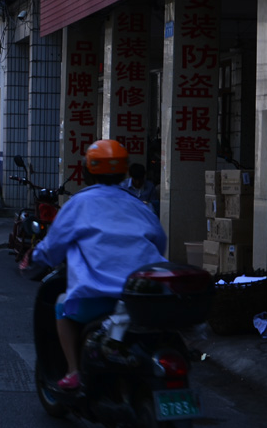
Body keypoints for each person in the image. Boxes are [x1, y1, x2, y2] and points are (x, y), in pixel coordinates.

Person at [28, 140, 166, 390]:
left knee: (61, 306)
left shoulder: (78, 204)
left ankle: (73, 371)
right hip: (142, 298)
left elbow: (53, 245)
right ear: (124, 172)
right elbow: (159, 241)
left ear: (87, 172)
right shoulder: (140, 206)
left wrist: (34, 259)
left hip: (98, 297)